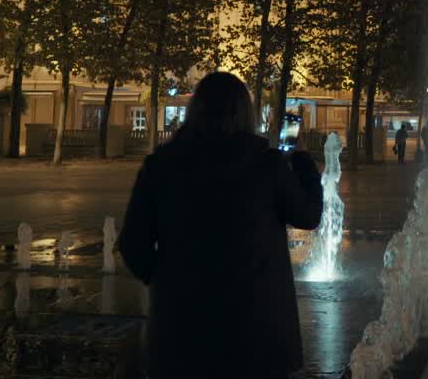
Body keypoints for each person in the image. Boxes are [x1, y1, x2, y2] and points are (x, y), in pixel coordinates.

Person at [119, 72, 322, 379]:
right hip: (256, 334)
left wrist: (169, 280)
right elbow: (308, 216)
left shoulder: (160, 166)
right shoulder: (267, 165)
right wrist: (303, 158)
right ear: (243, 114)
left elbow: (132, 245)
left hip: (181, 334)